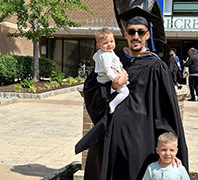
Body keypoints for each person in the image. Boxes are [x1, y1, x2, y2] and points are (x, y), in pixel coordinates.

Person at [75, 6, 188, 180]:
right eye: (132, 31)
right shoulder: (111, 59)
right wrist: (112, 87)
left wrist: (169, 147)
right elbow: (90, 90)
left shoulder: (156, 66)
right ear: (125, 34)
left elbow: (167, 109)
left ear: (147, 35)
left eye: (141, 32)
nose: (136, 36)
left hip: (139, 139)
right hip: (110, 136)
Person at [93, 28, 129, 114]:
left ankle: (111, 91)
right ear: (99, 45)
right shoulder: (106, 55)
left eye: (111, 41)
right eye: (105, 43)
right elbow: (108, 69)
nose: (109, 44)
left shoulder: (102, 53)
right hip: (108, 78)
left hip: (104, 79)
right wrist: (115, 78)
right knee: (125, 92)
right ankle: (113, 104)